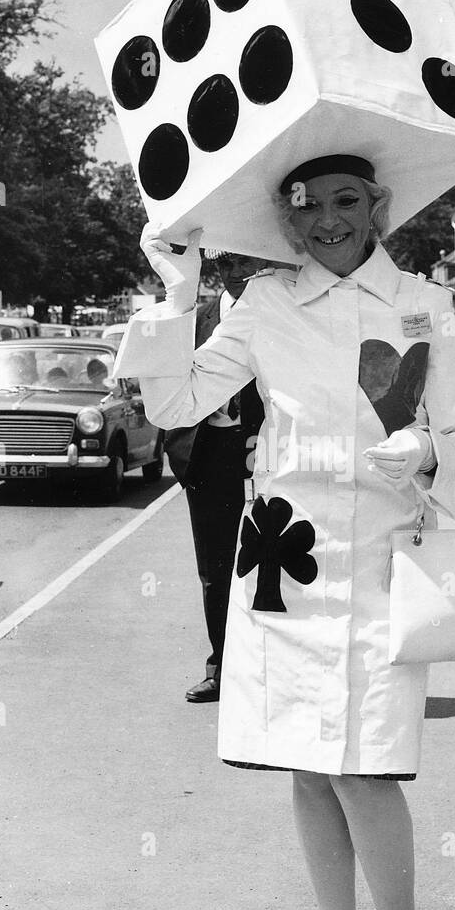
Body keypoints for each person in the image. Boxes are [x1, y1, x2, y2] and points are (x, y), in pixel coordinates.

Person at [114, 153, 455, 910]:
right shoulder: (264, 303)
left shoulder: (422, 304)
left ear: (378, 206)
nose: (327, 219)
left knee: (364, 767)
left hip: (388, 563)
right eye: (307, 205)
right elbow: (176, 405)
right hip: (287, 561)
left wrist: (429, 453)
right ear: (287, 221)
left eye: (345, 200)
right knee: (311, 768)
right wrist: (175, 290)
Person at [164, 253, 265, 704]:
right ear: (212, 271)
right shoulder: (192, 321)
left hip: (267, 455)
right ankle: (221, 668)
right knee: (216, 569)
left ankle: (271, 672)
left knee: (272, 563)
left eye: (245, 262)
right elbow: (166, 381)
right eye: (225, 265)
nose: (236, 273)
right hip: (208, 456)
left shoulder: (277, 313)